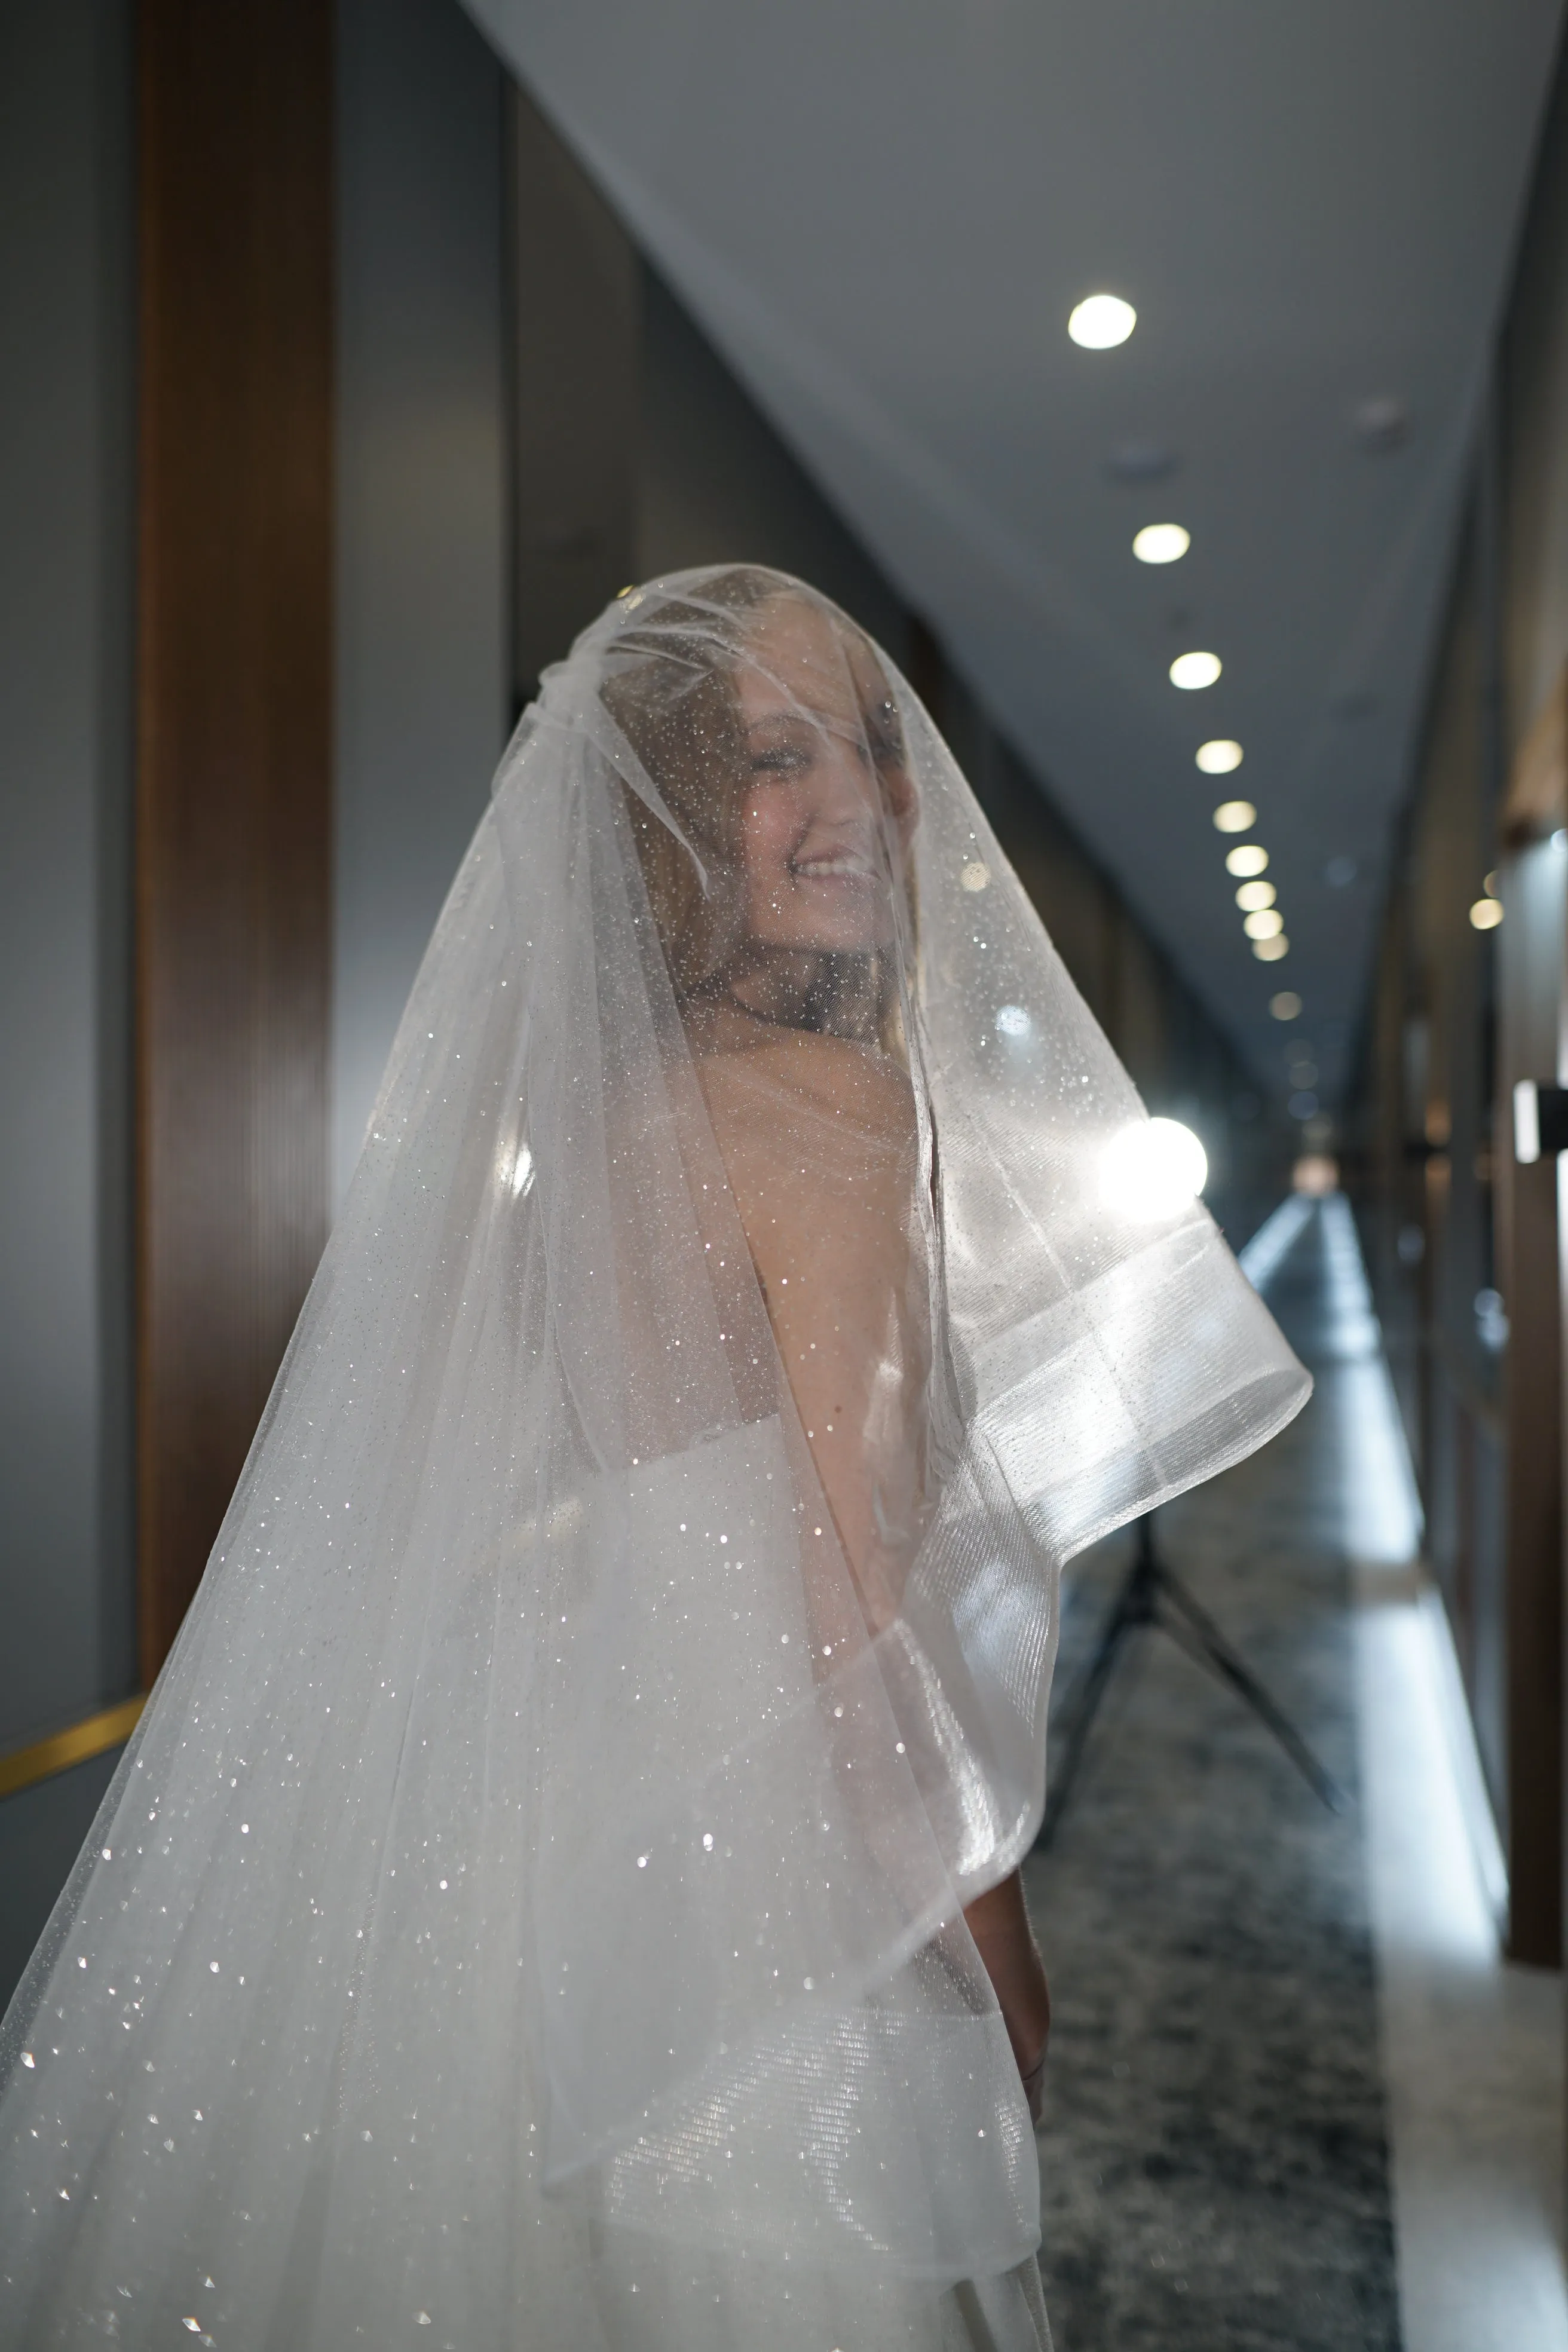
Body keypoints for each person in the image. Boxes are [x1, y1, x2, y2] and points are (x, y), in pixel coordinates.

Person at [0, 568, 1307, 2351]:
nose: (849, 800)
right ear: (682, 814)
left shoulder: (600, 1115)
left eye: (861, 748)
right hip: (768, 1881)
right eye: (775, 759)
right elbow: (858, 1593)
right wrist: (989, 1928)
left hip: (555, 1838)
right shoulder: (837, 1110)